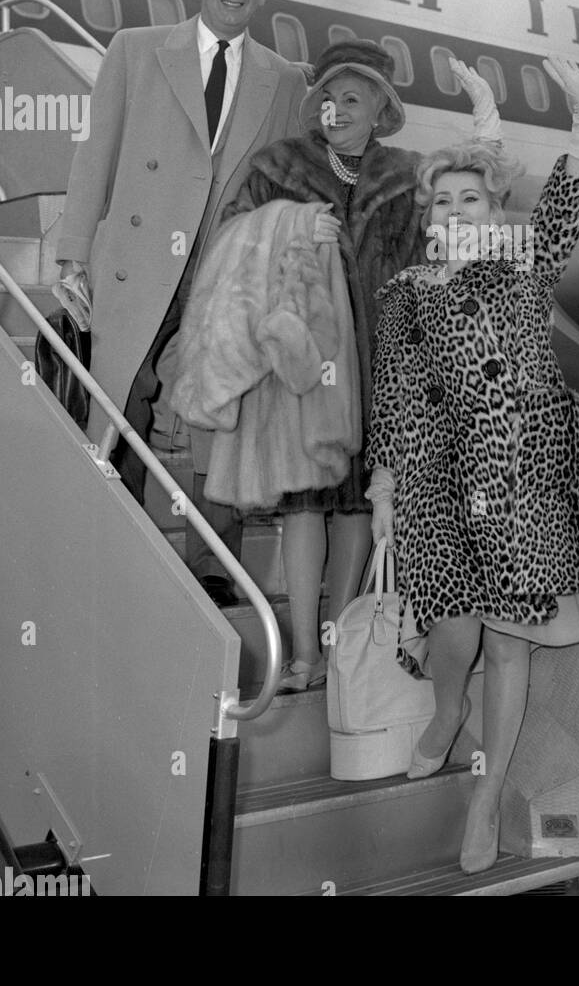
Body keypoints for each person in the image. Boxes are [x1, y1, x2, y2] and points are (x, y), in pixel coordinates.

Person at [365, 53, 579, 874]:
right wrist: (385, 480)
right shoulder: (408, 290)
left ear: (492, 208)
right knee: (454, 623)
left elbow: (566, 198)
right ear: (428, 214)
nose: (454, 209)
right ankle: (446, 713)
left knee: (511, 644)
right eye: (440, 200)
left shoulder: (526, 267)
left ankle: (487, 801)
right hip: (443, 479)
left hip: (524, 480)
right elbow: (398, 390)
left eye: (470, 198)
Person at [218, 39, 499, 689]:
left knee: (352, 509)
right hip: (304, 365)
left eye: (353, 98)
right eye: (328, 98)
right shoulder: (277, 166)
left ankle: (337, 650)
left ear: (381, 112)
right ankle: (304, 657)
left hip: (382, 369)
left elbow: (449, 254)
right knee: (302, 505)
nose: (337, 109)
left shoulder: (406, 178)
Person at [54, 0, 306, 604]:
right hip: (139, 258)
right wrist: (73, 252)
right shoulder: (137, 50)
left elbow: (283, 181)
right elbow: (95, 153)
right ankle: (118, 541)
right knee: (124, 398)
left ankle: (214, 561)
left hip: (222, 271)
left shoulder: (283, 79)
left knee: (215, 412)